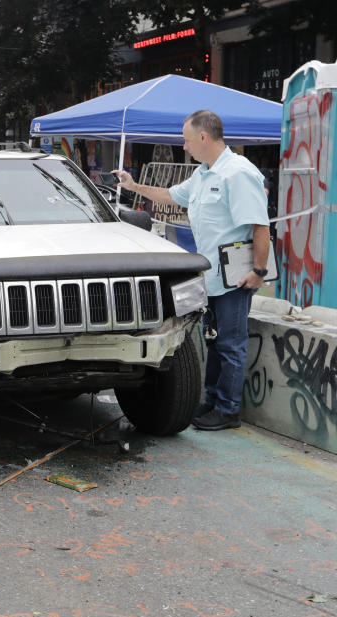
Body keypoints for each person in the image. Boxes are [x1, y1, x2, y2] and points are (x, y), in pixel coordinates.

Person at [113, 109, 269, 432]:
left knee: (231, 344)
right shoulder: (203, 173)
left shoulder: (237, 173)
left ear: (203, 137)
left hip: (235, 278)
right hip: (209, 277)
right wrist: (134, 185)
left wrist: (259, 271)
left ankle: (228, 410)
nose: (183, 147)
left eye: (186, 140)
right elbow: (171, 195)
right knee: (213, 341)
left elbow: (260, 226)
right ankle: (212, 401)